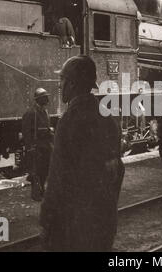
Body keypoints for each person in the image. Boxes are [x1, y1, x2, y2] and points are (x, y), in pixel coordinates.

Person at [39, 55, 125, 251]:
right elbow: (118, 170)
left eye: (63, 79)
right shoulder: (108, 118)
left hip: (75, 226)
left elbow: (57, 177)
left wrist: (47, 219)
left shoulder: (69, 121)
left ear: (72, 83)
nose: (60, 85)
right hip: (104, 222)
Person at [22, 88, 54, 201]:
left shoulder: (44, 112)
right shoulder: (31, 113)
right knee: (36, 171)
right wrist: (30, 147)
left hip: (46, 146)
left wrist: (49, 132)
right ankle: (35, 194)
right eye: (45, 97)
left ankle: (41, 191)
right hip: (36, 147)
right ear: (39, 99)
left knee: (45, 170)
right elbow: (26, 132)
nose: (47, 100)